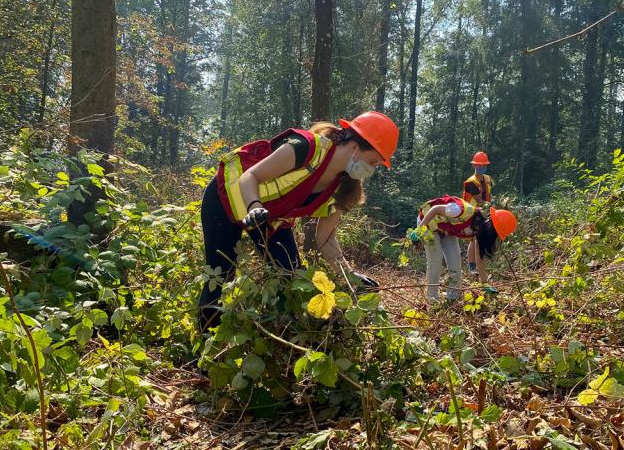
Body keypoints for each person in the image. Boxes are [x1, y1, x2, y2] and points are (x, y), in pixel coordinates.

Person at [198, 111, 399, 331]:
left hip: (269, 217)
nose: (370, 170)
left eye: (376, 165)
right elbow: (251, 177)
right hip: (226, 197)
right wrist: (254, 206)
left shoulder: (343, 187)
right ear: (354, 147)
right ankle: (206, 351)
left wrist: (349, 276)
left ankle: (277, 335)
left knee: (292, 277)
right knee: (220, 276)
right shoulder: (305, 147)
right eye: (371, 161)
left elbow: (326, 239)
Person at [411, 195, 516, 303]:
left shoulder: (479, 232)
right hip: (427, 221)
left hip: (446, 228)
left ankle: (453, 298)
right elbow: (435, 209)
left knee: (455, 262)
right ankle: (432, 298)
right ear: (491, 227)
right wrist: (419, 230)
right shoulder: (461, 211)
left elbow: (479, 262)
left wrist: (485, 285)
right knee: (436, 259)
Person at [462, 151, 493, 275]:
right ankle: (472, 266)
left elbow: (488, 195)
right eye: (479, 165)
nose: (481, 167)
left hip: (483, 212)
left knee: (480, 239)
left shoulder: (488, 179)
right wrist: (492, 207)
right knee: (474, 239)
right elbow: (479, 200)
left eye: (483, 165)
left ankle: (479, 265)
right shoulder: (471, 182)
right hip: (470, 213)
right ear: (474, 166)